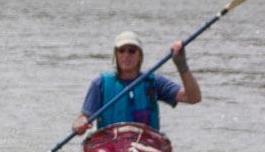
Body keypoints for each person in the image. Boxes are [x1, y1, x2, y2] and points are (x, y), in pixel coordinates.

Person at [73, 30, 201, 138]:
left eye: (132, 51)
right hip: (110, 145)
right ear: (115, 55)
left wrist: (181, 65)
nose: (126, 55)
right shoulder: (100, 83)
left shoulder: (154, 82)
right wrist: (80, 124)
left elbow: (193, 98)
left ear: (140, 56)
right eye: (121, 51)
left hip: (145, 146)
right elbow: (82, 118)